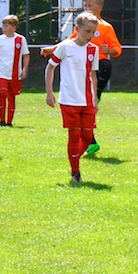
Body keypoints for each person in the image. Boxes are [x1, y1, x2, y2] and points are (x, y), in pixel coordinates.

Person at [41, 0, 121, 155]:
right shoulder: (82, 26)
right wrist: (52, 49)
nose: (87, 8)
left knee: (90, 102)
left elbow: (117, 49)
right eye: (85, 6)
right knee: (82, 101)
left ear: (100, 8)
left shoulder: (106, 27)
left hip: (100, 66)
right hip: (82, 68)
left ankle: (89, 139)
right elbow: (69, 41)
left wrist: (109, 50)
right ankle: (90, 140)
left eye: (90, 6)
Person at [45, 12, 100, 184]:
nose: (90, 35)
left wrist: (94, 98)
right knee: (74, 136)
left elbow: (93, 75)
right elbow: (50, 67)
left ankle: (74, 157)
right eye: (87, 31)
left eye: (93, 32)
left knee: (88, 137)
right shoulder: (65, 47)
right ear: (77, 29)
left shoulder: (93, 50)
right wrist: (49, 92)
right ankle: (75, 172)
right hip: (69, 100)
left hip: (87, 100)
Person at [0, 14, 30, 127]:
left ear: (14, 27)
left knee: (11, 97)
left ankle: (9, 122)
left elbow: (26, 55)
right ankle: (2, 121)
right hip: (1, 72)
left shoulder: (20, 39)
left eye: (6, 26)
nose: (4, 28)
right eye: (3, 26)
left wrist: (25, 69)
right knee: (3, 93)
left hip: (15, 74)